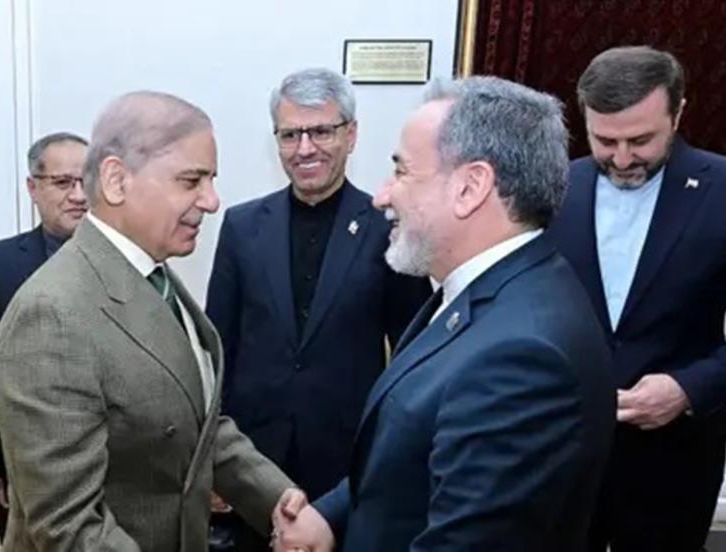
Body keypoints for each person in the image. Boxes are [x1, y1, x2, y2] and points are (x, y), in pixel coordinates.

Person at [273, 76, 616, 551]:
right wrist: (330, 517)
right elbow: (409, 458)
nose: (383, 196)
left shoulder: (523, 357)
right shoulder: (482, 291)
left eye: (402, 172)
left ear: (470, 188)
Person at [0, 91, 305, 551]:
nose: (212, 201)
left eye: (210, 180)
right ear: (117, 181)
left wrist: (280, 502)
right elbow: (70, 528)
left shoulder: (153, 276)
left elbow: (197, 425)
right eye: (191, 180)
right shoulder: (51, 316)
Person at [205, 68, 432, 550]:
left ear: (351, 135)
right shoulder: (242, 226)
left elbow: (413, 354)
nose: (305, 148)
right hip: (252, 462)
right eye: (290, 135)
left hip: (346, 465)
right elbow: (216, 349)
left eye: (321, 131)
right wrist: (213, 460)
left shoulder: (387, 228)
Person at [548, 45, 726, 551]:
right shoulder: (554, 188)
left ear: (679, 113)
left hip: (674, 461)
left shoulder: (721, 191)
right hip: (561, 450)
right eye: (605, 140)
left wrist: (688, 388)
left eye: (641, 140)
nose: (622, 159)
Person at [0, 131, 88, 539]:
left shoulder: (131, 260)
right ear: (33, 188)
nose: (78, 195)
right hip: (27, 466)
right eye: (63, 182)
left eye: (86, 181)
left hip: (112, 465)